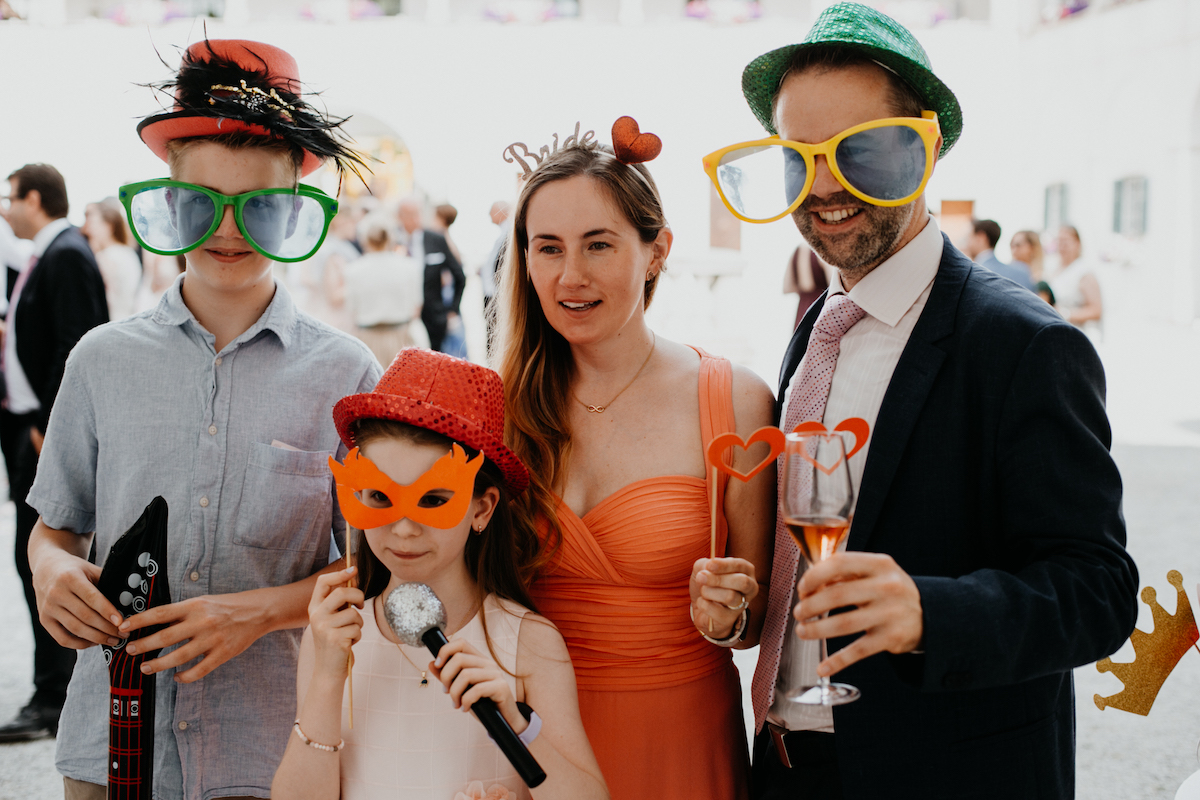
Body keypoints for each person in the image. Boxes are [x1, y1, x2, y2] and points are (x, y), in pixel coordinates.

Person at [709, 4, 1137, 798]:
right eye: (799, 157)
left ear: (927, 150)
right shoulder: (815, 328)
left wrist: (930, 614)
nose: (826, 186)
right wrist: (743, 607)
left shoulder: (1027, 346)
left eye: (860, 152)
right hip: (784, 766)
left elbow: (1098, 591)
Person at [26, 39, 379, 800]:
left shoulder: (346, 375)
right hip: (111, 745)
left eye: (259, 207)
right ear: (170, 200)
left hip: (275, 752)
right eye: (202, 202)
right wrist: (50, 569)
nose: (227, 230)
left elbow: (373, 567)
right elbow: (56, 523)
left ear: (293, 212)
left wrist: (255, 613)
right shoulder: (99, 360)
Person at [495, 125, 775, 800]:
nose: (571, 276)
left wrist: (729, 616)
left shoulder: (734, 398)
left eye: (599, 245)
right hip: (532, 745)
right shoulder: (498, 407)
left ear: (656, 252)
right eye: (549, 248)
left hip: (680, 741)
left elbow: (756, 624)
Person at [272, 348, 609, 800]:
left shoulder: (527, 642)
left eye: (432, 501)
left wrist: (516, 721)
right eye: (378, 496)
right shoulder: (332, 638)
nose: (404, 528)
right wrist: (329, 677)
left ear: (482, 509)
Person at [0, 163, 108, 743]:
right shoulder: (43, 254)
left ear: (34, 198)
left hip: (42, 429)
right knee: (31, 555)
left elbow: (76, 340)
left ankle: (53, 692)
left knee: (43, 551)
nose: (4, 208)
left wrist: (49, 425)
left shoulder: (65, 253)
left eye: (9, 197)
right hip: (26, 424)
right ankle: (52, 687)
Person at [342, 213, 423, 366]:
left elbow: (351, 310)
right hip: (403, 340)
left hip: (367, 340)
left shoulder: (353, 270)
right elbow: (416, 309)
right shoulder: (410, 267)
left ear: (364, 239)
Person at [398, 196, 464, 353]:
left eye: (416, 213)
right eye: (409, 214)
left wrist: (452, 310)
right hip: (403, 318)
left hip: (434, 317)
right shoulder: (394, 241)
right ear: (400, 217)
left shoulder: (436, 239)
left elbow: (460, 276)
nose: (414, 219)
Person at [82, 197, 142, 320]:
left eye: (93, 223)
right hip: (127, 317)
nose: (88, 229)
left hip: (109, 319)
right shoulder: (128, 253)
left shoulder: (106, 257)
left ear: (108, 226)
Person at [1051, 224, 1102, 331]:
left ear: (1077, 243)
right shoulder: (1053, 269)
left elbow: (1096, 310)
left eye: (1065, 241)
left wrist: (1066, 314)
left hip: (1074, 331)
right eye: (1059, 241)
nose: (1061, 246)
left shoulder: (1084, 272)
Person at [964, 218, 1035, 292]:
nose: (966, 243)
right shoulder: (1021, 272)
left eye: (969, 237)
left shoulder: (973, 273)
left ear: (981, 237)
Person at [481, 201, 510, 359]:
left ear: (501, 212)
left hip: (499, 297)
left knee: (498, 342)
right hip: (492, 297)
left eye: (491, 211)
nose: (489, 215)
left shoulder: (509, 233)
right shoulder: (501, 234)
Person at [781, 240, 830, 329]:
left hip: (802, 311)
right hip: (821, 310)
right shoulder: (824, 250)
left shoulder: (798, 250)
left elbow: (787, 288)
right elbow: (833, 284)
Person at [1010, 229, 1055, 305]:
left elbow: (1040, 311)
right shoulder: (1010, 274)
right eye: (1012, 245)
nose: (1014, 250)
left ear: (1032, 247)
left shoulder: (1040, 280)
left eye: (1018, 245)